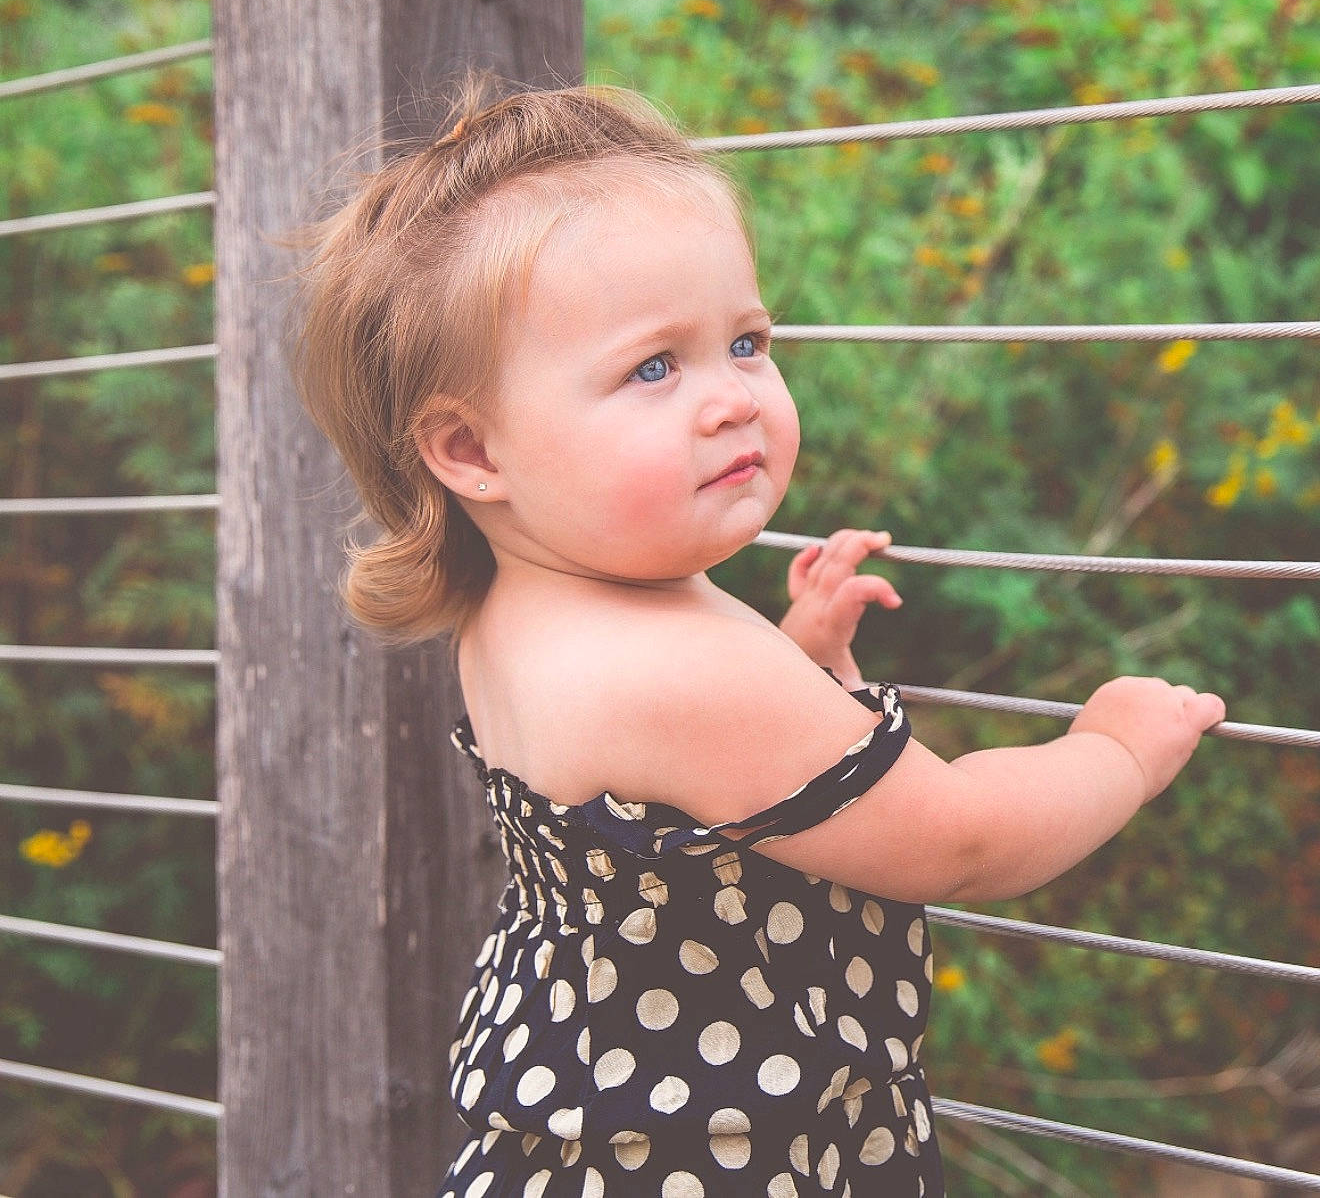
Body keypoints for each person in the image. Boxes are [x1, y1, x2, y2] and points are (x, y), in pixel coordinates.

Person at [283, 69, 1226, 1196]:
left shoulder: (521, 612)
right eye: (652, 367)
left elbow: (685, 803)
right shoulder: (675, 668)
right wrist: (1115, 750)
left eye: (746, 342)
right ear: (473, 452)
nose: (732, 396)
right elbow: (960, 839)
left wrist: (797, 661)